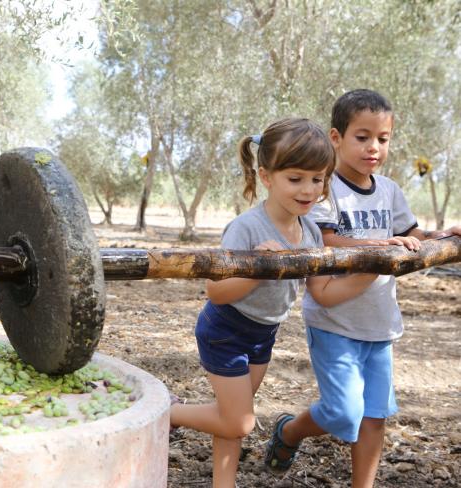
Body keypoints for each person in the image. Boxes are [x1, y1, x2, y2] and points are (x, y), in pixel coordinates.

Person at [264, 89, 461, 488]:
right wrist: (379, 245)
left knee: (374, 416)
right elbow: (327, 242)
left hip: (380, 325)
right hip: (334, 321)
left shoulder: (389, 190)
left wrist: (441, 237)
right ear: (336, 138)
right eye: (362, 136)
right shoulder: (324, 187)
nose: (374, 147)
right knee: (342, 414)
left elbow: (411, 236)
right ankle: (289, 431)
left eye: (383, 139)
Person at [170, 117, 380, 488]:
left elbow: (323, 292)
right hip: (226, 330)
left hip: (263, 334)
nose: (308, 190)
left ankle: (224, 483)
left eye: (317, 179)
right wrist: (258, 269)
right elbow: (215, 292)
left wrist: (369, 275)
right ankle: (166, 413)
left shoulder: (311, 231)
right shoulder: (247, 228)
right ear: (267, 177)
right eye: (295, 179)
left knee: (231, 415)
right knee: (240, 421)